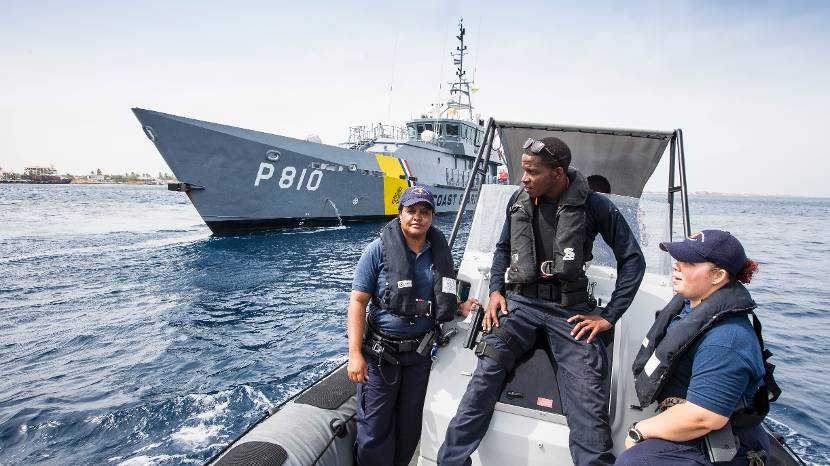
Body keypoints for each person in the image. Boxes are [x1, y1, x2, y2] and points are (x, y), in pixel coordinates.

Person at [437, 136, 646, 466]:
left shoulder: (594, 205)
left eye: (532, 172)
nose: (524, 178)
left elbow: (633, 260)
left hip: (571, 311)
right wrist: (494, 292)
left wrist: (609, 316)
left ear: (558, 173)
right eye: (523, 171)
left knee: (589, 403)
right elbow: (503, 250)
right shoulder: (518, 200)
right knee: (484, 375)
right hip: (520, 306)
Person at [618, 230, 777, 465]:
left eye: (689, 263)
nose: (676, 266)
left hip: (723, 442)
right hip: (690, 413)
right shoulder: (690, 306)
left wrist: (639, 430)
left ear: (717, 276)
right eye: (677, 259)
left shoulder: (727, 340)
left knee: (633, 461)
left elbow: (705, 417)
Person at [347, 185, 479, 466]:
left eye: (424, 212)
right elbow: (358, 302)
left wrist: (459, 307)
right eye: (411, 211)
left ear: (432, 216)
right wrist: (355, 353)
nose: (417, 217)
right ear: (400, 214)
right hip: (381, 357)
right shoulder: (377, 251)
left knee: (409, 428)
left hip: (419, 357)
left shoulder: (438, 252)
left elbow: (440, 296)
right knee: (373, 431)